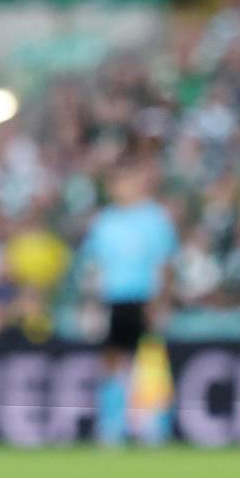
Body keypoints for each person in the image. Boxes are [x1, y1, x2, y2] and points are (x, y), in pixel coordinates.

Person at [78, 162, 178, 443]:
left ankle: (153, 425)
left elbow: (165, 264)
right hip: (112, 298)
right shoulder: (104, 221)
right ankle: (112, 425)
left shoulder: (155, 218)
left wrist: (161, 301)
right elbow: (94, 265)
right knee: (112, 360)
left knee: (149, 361)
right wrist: (91, 303)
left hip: (144, 298)